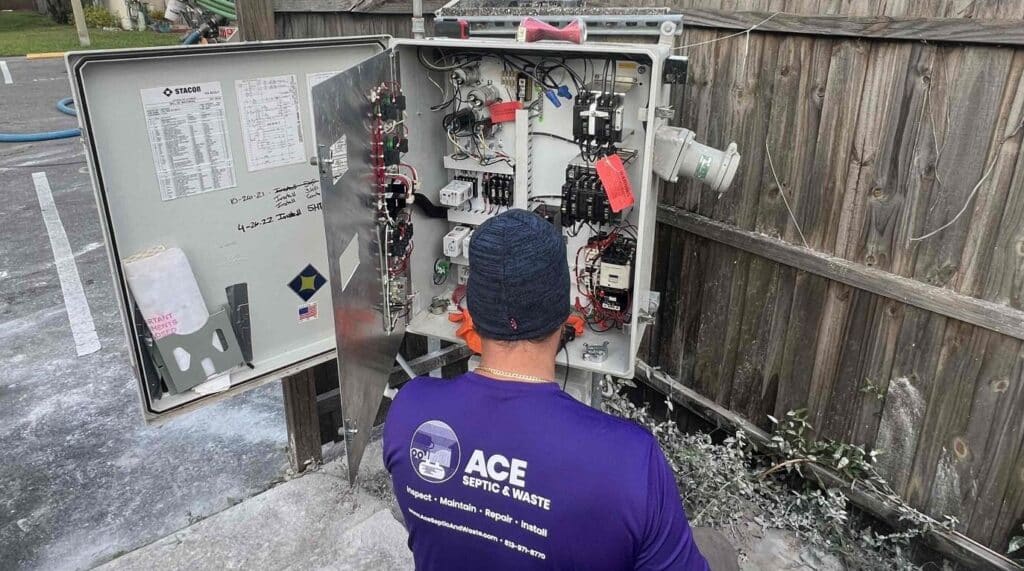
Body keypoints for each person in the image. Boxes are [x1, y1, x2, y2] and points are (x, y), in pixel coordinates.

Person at [383, 209, 709, 570]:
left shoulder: (409, 410)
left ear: (471, 310)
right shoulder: (631, 461)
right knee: (717, 546)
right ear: (565, 312)